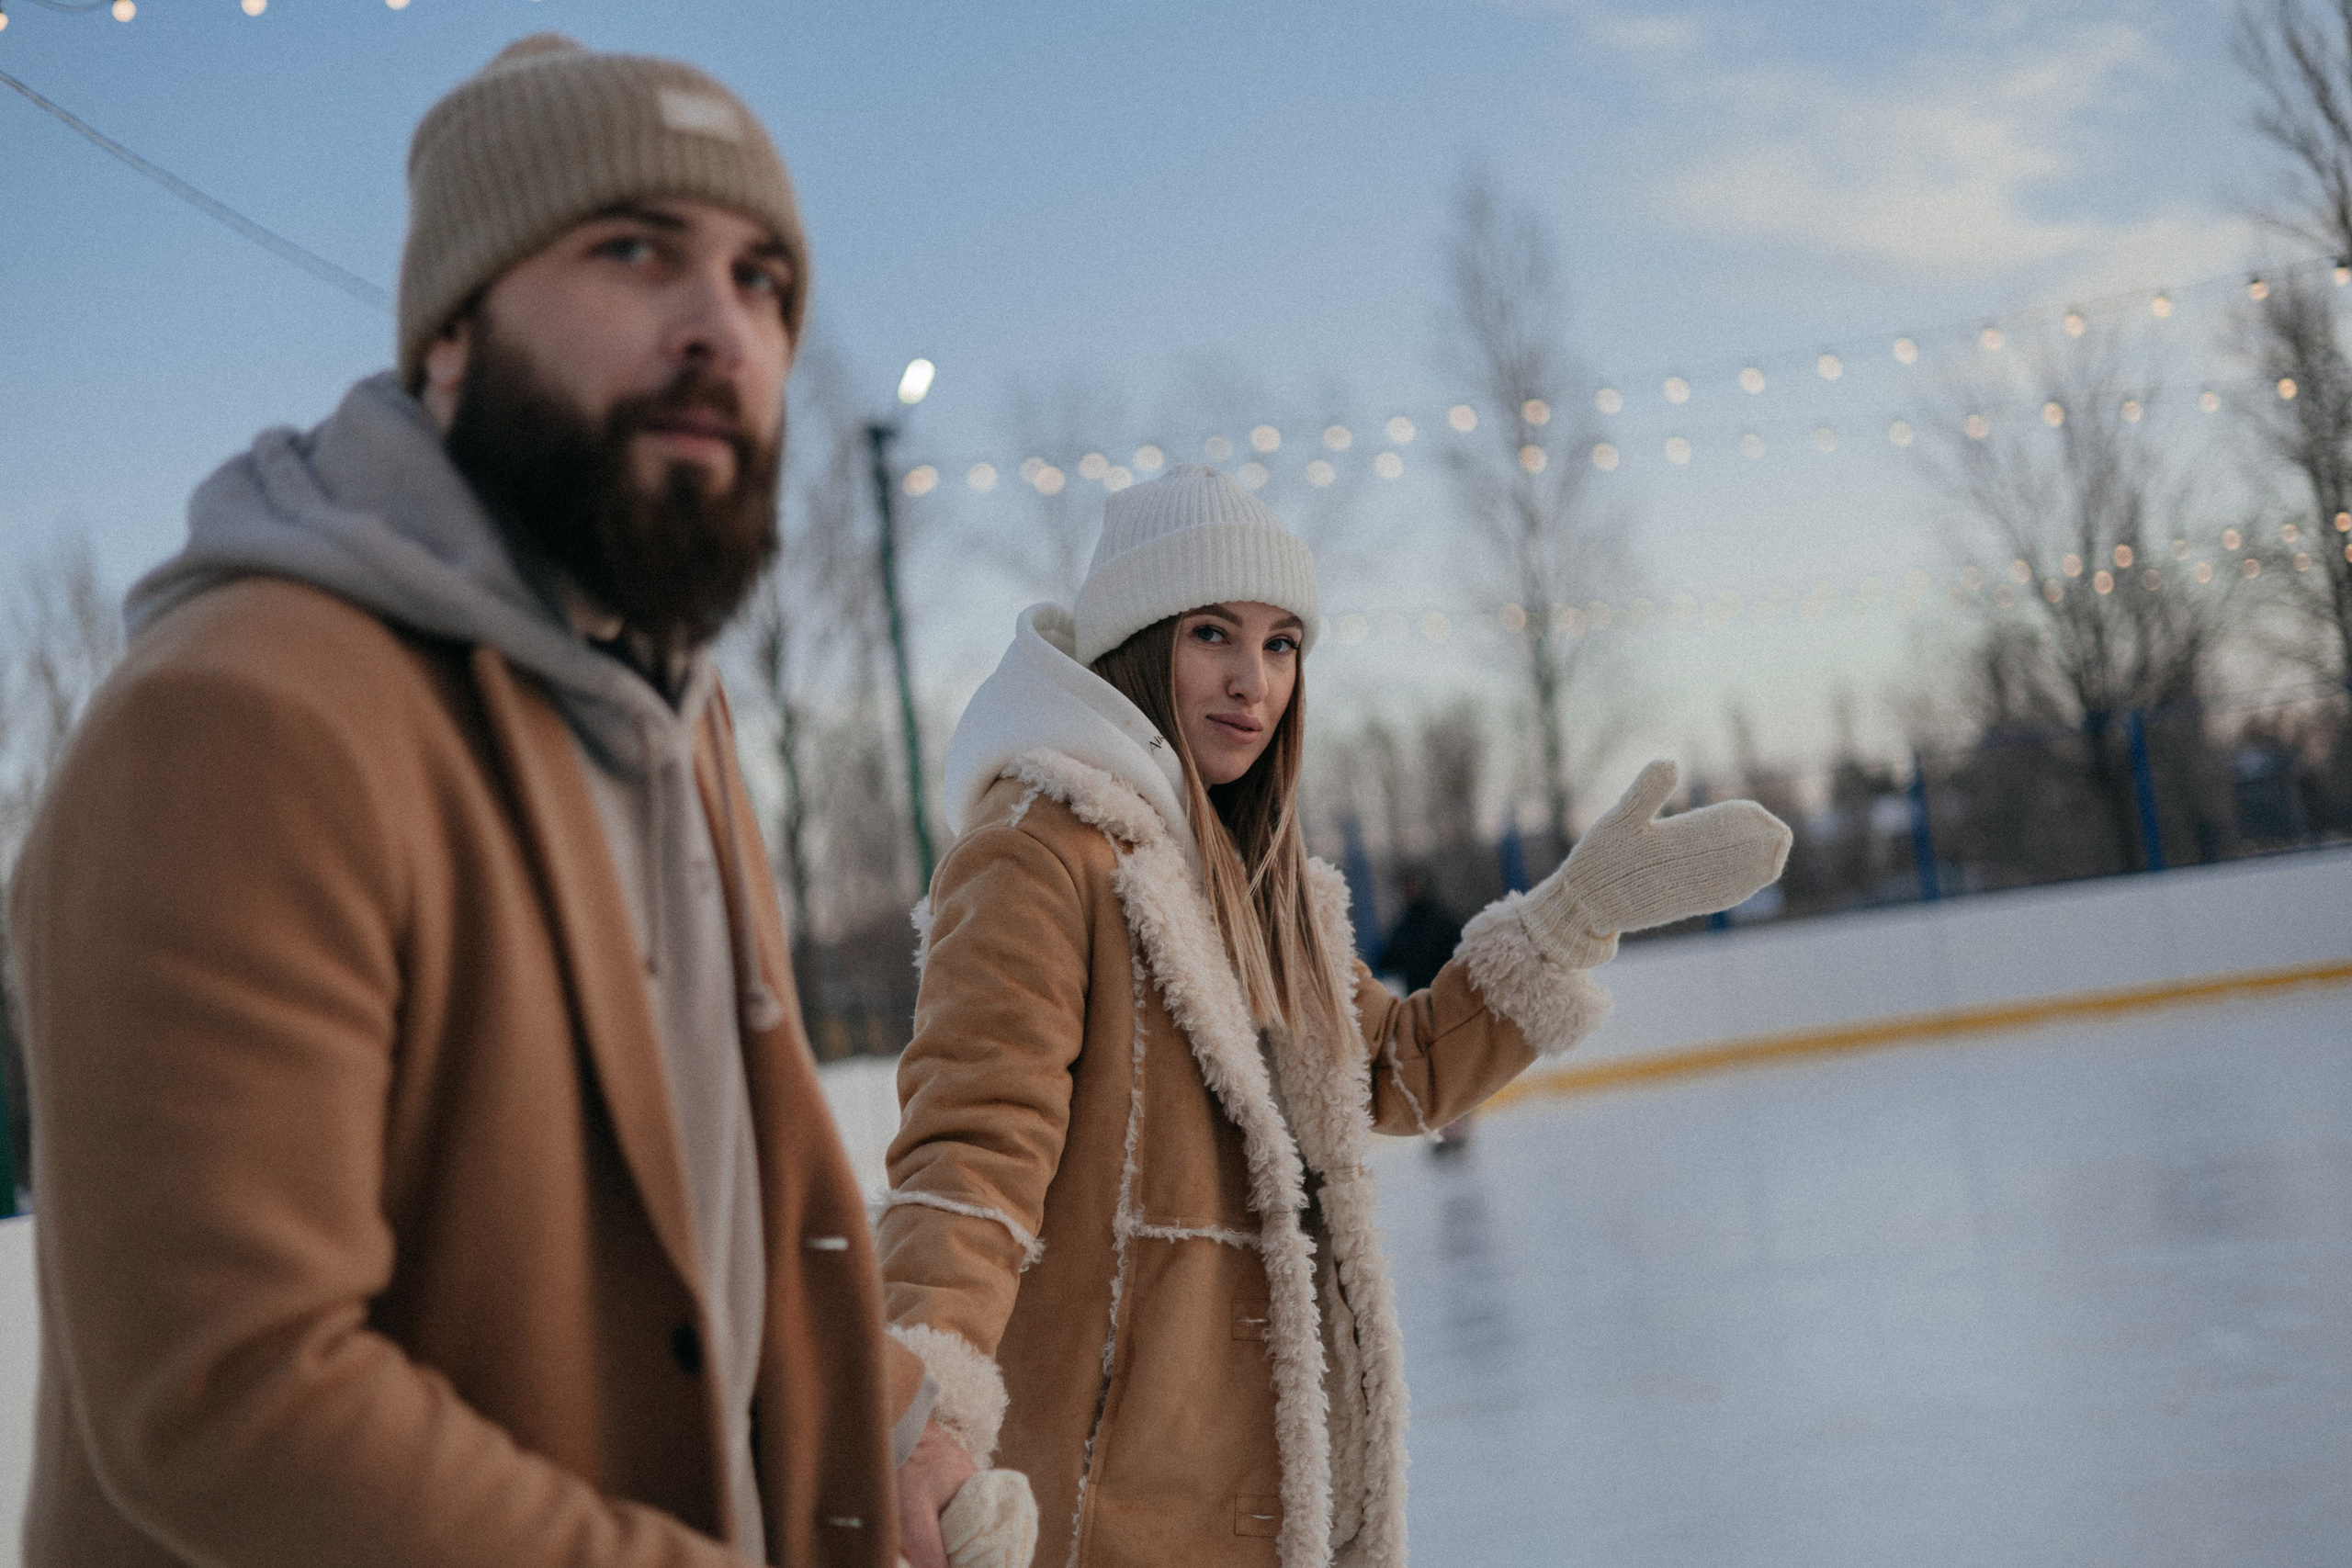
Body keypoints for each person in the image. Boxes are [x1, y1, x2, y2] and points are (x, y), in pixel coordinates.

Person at [8, 35, 978, 1568]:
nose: (717, 326)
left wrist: (906, 1425)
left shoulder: (670, 701)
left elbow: (730, 1203)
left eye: (760, 282)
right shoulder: (241, 717)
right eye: (631, 252)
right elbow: (231, 1393)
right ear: (450, 334)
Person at [872, 464, 1792, 1566]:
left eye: (1280, 644)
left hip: (1265, 1493)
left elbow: (1390, 1074)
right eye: (1212, 632)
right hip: (1101, 1495)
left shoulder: (1270, 889)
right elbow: (972, 1153)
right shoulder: (1037, 852)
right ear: (1137, 644)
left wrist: (1570, 918)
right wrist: (921, 1401)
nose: (1250, 680)